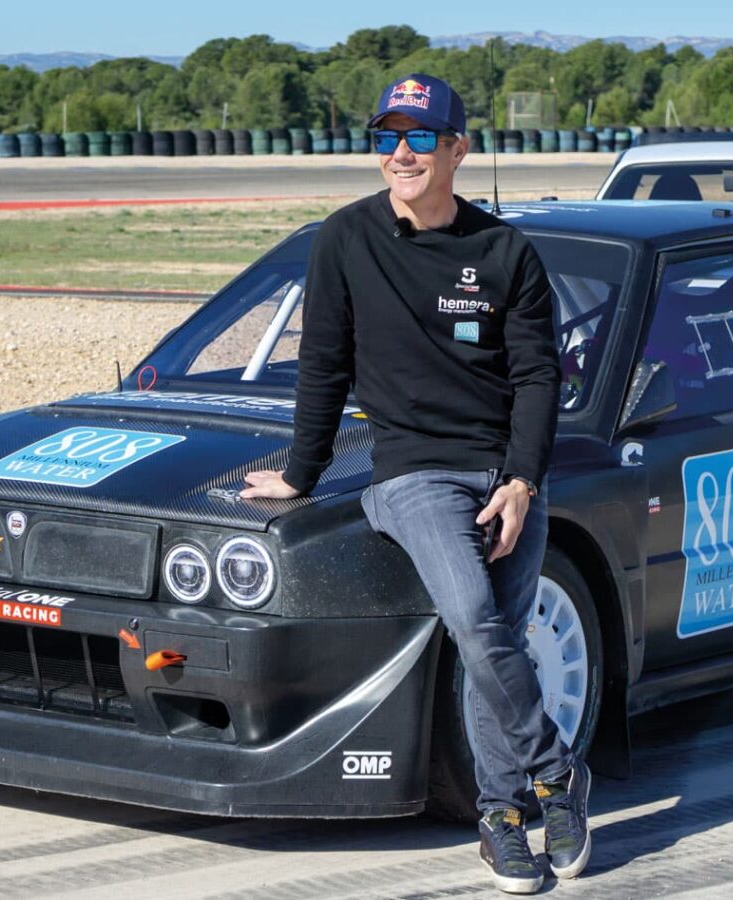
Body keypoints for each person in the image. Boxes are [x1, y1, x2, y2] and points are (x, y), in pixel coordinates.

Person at [239, 73, 591, 894]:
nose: (401, 152)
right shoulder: (344, 241)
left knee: (491, 643)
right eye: (387, 137)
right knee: (473, 617)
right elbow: (321, 366)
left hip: (503, 476)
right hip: (415, 475)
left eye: (420, 137)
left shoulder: (507, 254)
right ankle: (557, 773)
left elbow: (539, 379)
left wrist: (522, 484)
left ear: (457, 148)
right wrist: (301, 472)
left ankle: (502, 820)